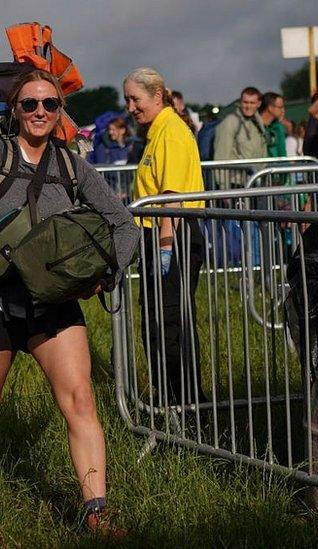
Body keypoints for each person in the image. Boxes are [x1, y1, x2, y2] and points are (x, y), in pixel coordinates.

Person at [0, 31, 137, 534]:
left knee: (80, 402)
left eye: (50, 103)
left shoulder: (73, 165)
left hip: (53, 305)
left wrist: (104, 276)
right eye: (30, 102)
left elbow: (122, 222)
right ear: (15, 108)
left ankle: (96, 510)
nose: (40, 110)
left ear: (60, 108)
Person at [123, 67, 207, 408]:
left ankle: (186, 403)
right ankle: (173, 400)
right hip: (160, 234)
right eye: (127, 99)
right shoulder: (157, 130)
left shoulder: (170, 131)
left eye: (135, 99)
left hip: (171, 235)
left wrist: (165, 247)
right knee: (158, 320)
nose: (130, 107)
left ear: (157, 96)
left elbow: (169, 196)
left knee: (168, 322)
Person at [213, 87, 267, 164]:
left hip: (256, 175)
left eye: (252, 103)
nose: (248, 106)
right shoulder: (230, 122)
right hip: (235, 175)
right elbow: (221, 157)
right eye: (245, 102)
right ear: (240, 102)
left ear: (259, 104)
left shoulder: (258, 123)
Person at [260, 92, 287, 157]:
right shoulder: (253, 126)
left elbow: (282, 153)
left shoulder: (278, 127)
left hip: (275, 166)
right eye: (280, 107)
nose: (283, 110)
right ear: (270, 108)